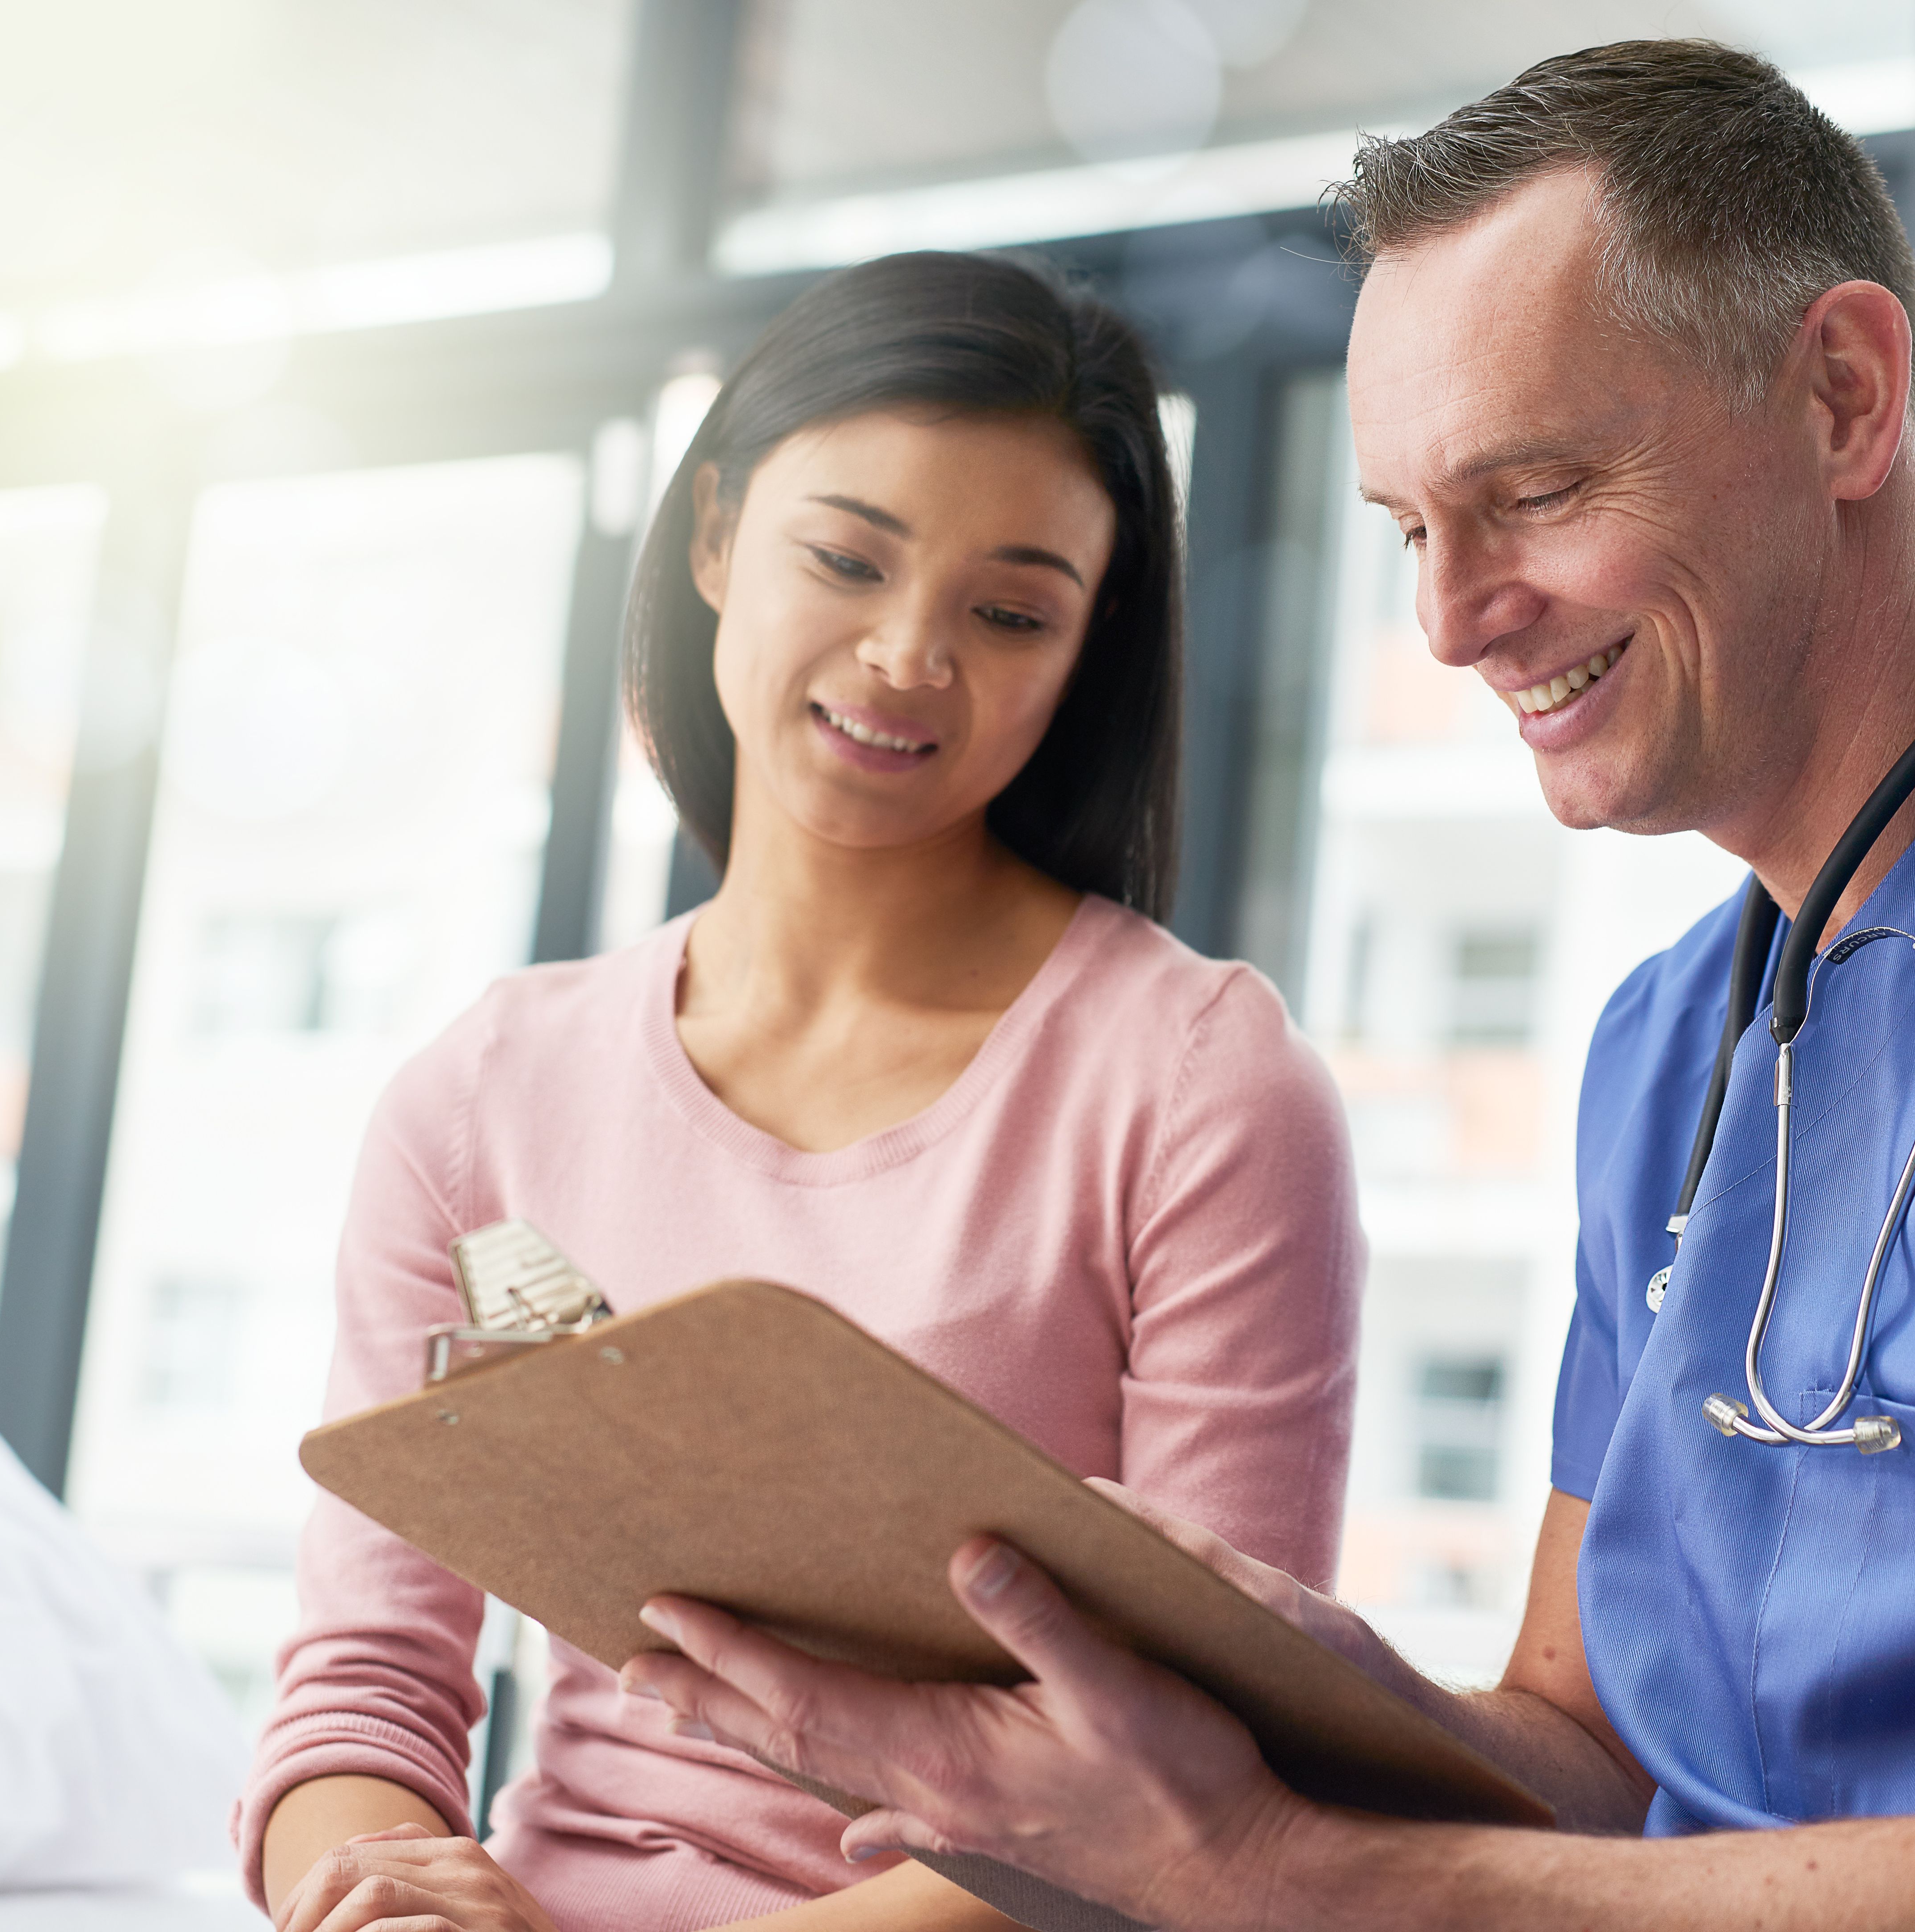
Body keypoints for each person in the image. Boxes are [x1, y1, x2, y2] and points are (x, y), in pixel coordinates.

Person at [619, 41, 1915, 1932]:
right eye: (1408, 528)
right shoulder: (1677, 1047)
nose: (1453, 620)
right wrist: (1270, 1699)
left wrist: (1295, 1881)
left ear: (1842, 396)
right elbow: (1599, 1761)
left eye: (1532, 494)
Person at [241, 251, 1364, 1932]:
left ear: (1086, 649)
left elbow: (1195, 1782)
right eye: (846, 557)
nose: (910, 656)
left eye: (1011, 610)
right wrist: (376, 1891)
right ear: (712, 537)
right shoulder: (482, 1098)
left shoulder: (1201, 1086)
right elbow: (364, 1684)